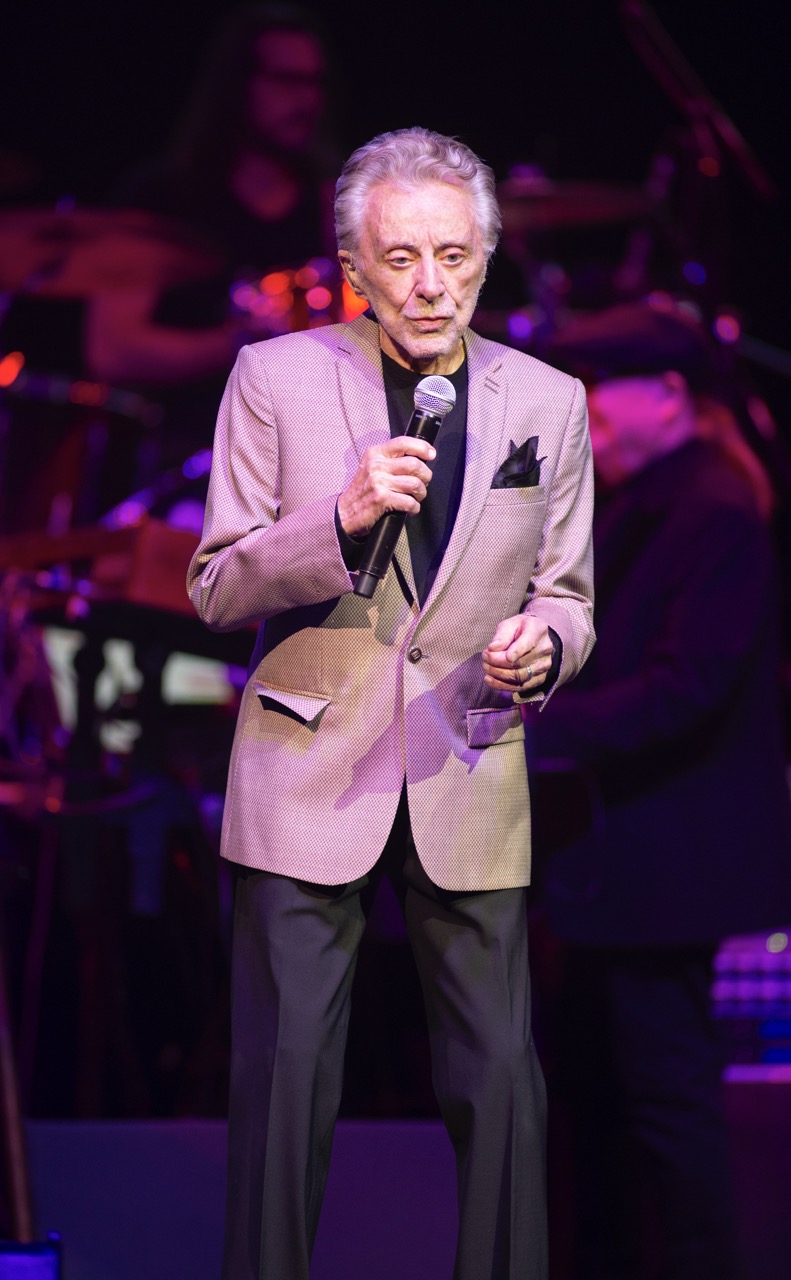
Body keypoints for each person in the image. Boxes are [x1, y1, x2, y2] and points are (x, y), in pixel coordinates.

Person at [187, 126, 595, 1279]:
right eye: (401, 257)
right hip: (306, 769)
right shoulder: (273, 376)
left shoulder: (548, 399)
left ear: (485, 258)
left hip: (467, 757)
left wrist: (542, 647)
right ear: (353, 266)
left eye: (453, 256)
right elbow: (216, 583)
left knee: (502, 1085)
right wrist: (341, 517)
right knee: (284, 1089)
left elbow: (568, 595)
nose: (429, 284)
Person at [529, 299, 791, 1280]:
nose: (587, 414)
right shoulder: (646, 502)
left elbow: (686, 687)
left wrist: (527, 724)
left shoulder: (712, 509)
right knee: (594, 1100)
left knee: (664, 1105)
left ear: (668, 396)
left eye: (601, 393)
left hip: (666, 863)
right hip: (619, 862)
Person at [83, 3, 339, 484]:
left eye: (314, 82)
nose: (306, 100)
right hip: (175, 463)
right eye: (286, 80)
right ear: (237, 86)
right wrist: (241, 342)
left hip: (297, 467)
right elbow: (113, 349)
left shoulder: (331, 203)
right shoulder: (164, 198)